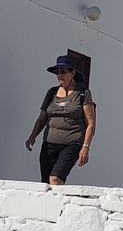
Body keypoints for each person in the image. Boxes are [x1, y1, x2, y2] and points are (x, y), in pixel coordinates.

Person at [24, 55, 96, 185]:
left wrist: (86, 147)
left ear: (72, 72)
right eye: (57, 72)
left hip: (71, 144)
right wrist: (32, 136)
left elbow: (91, 123)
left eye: (63, 71)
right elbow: (42, 119)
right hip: (49, 144)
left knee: (55, 179)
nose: (59, 75)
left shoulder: (82, 93)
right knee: (45, 183)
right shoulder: (52, 93)